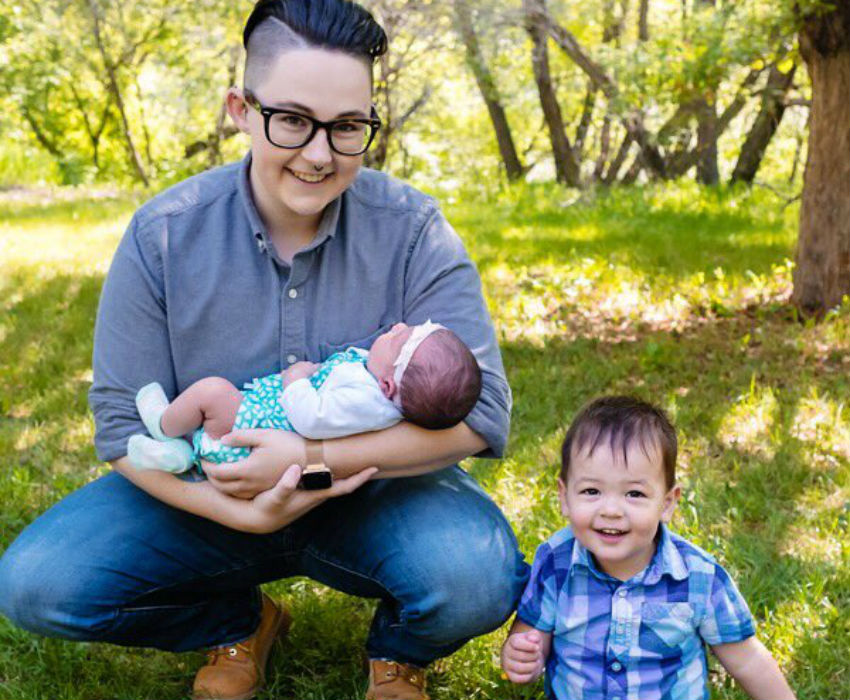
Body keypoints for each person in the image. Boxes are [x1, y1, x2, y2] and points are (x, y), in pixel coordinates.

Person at [0, 2, 529, 699]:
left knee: (476, 575)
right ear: (241, 110)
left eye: (347, 128)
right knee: (37, 584)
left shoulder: (414, 230)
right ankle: (239, 622)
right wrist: (237, 513)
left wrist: (311, 459)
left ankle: (398, 652)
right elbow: (121, 426)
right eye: (293, 120)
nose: (319, 154)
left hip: (375, 491)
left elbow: (483, 410)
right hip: (203, 493)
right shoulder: (162, 234)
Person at [501, 396, 796, 700]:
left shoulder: (699, 578)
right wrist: (523, 656)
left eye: (634, 493)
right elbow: (531, 632)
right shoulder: (555, 562)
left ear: (667, 503)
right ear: (564, 496)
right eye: (591, 491)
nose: (612, 510)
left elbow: (747, 660)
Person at [128, 321, 482, 473]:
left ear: (388, 387)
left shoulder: (367, 401)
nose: (397, 328)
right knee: (211, 417)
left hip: (259, 434)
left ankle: (163, 426)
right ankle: (179, 455)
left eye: (396, 340)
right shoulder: (378, 387)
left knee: (213, 392)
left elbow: (310, 419)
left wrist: (296, 379)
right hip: (260, 436)